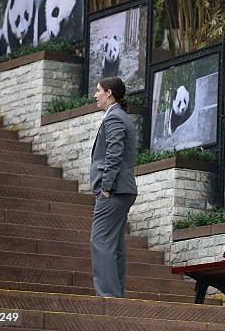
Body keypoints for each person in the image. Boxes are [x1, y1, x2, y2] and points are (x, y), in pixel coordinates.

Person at [90, 76, 137, 298]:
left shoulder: (114, 119)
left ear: (109, 93)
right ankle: (116, 297)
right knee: (115, 246)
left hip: (114, 190)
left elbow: (114, 154)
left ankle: (107, 298)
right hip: (123, 190)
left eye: (98, 90)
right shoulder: (120, 117)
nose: (95, 94)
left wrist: (105, 187)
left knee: (100, 241)